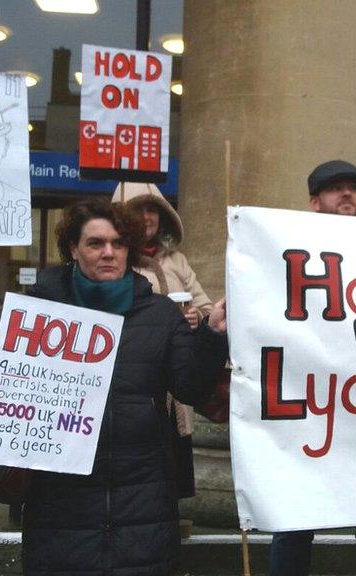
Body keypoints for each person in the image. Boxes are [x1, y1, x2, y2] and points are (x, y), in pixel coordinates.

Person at [0, 198, 229, 575]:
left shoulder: (160, 313)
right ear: (73, 249)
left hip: (142, 508)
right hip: (59, 512)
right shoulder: (34, 311)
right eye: (95, 243)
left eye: (118, 244)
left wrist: (212, 336)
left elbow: (192, 387)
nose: (109, 253)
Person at [267, 159, 356, 576]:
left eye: (353, 189)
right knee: (295, 517)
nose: (347, 195)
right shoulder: (287, 252)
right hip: (311, 404)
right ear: (314, 202)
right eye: (335, 189)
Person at [112, 182, 212, 500]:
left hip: (175, 383)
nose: (147, 217)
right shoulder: (116, 262)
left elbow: (207, 308)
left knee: (172, 464)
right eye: (138, 209)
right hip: (135, 383)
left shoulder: (177, 261)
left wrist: (197, 317)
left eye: (152, 208)